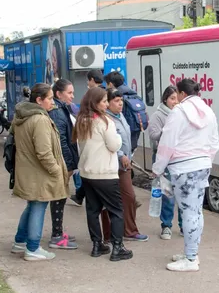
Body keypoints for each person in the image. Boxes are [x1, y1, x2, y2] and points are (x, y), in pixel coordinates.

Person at [152, 78, 219, 273]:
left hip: (183, 169)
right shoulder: (208, 111)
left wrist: (158, 168)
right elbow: (214, 142)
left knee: (188, 211)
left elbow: (167, 143)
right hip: (202, 166)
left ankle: (190, 259)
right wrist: (206, 159)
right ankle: (192, 251)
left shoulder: (178, 112)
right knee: (196, 211)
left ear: (182, 94)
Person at [10, 83, 69, 261]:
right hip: (39, 172)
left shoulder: (22, 116)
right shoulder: (40, 119)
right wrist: (56, 170)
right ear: (39, 100)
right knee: (38, 206)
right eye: (50, 98)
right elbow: (44, 152)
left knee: (32, 206)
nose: (52, 102)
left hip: (28, 170)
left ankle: (20, 241)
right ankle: (33, 248)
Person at [73, 86, 132, 262]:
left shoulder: (81, 120)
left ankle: (97, 245)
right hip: (105, 173)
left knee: (92, 210)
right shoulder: (105, 122)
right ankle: (118, 247)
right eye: (104, 101)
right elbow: (114, 145)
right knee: (116, 211)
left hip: (87, 172)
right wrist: (119, 138)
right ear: (95, 103)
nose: (107, 104)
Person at [107, 88, 148, 242]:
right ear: (107, 103)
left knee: (129, 197)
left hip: (124, 165)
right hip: (113, 165)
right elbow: (108, 142)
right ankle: (118, 232)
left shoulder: (121, 116)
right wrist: (121, 155)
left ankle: (128, 230)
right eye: (116, 101)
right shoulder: (107, 119)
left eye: (121, 101)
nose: (120, 104)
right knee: (121, 198)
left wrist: (128, 155)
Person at [46, 79, 78, 250]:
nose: (72, 96)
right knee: (58, 197)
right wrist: (68, 164)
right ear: (59, 94)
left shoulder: (61, 109)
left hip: (63, 162)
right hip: (62, 163)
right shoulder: (57, 112)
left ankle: (57, 231)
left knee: (60, 197)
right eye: (69, 93)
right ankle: (56, 235)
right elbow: (61, 141)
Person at [147, 85, 181, 240]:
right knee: (167, 194)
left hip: (179, 158)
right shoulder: (158, 115)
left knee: (181, 194)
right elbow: (153, 135)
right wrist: (168, 132)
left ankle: (183, 225)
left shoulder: (181, 114)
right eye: (172, 98)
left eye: (177, 98)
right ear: (165, 99)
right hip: (163, 159)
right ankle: (166, 226)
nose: (175, 102)